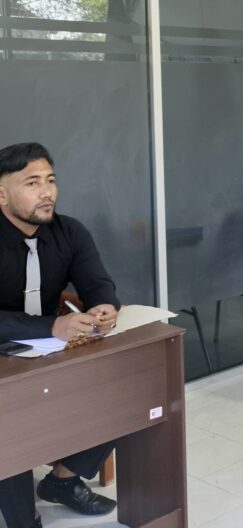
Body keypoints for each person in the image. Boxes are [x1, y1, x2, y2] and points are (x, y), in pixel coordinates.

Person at [0, 142, 120, 528]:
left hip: (48, 350)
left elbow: (97, 282)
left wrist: (105, 307)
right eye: (32, 182)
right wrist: (50, 326)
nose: (46, 191)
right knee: (8, 415)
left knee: (127, 383)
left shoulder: (70, 232)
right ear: (2, 193)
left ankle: (63, 481)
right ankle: (23, 520)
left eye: (51, 180)